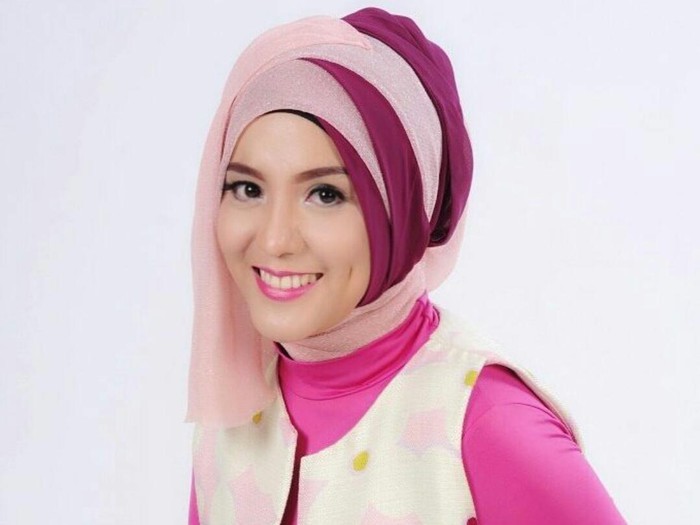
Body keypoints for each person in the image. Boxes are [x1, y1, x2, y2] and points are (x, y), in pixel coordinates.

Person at [185, 7, 626, 524]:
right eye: (247, 188)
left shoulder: (483, 421)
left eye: (325, 194)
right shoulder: (235, 407)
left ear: (403, 209)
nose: (275, 239)